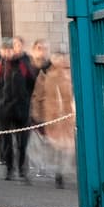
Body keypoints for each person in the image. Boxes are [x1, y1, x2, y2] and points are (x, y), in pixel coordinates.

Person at [0, 37, 38, 181]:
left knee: (22, 141)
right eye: (6, 49)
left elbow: (32, 83)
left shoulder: (25, 64)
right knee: (6, 141)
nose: (9, 52)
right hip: (3, 108)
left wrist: (26, 100)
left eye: (11, 49)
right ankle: (9, 168)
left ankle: (21, 169)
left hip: (21, 107)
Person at [30, 41, 74, 188]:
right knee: (53, 146)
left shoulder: (69, 74)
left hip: (66, 117)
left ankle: (60, 172)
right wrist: (37, 114)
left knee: (65, 147)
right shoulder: (46, 74)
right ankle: (56, 171)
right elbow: (38, 95)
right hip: (51, 116)